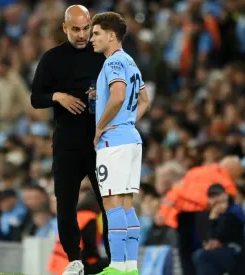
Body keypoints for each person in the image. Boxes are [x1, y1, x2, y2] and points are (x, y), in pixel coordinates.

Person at [30, 5, 110, 275]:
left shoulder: (103, 55)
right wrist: (57, 96)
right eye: (75, 29)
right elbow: (36, 97)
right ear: (65, 28)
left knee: (108, 203)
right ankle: (74, 260)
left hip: (99, 143)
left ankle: (113, 261)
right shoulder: (52, 59)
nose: (82, 34)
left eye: (86, 28)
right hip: (66, 143)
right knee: (65, 203)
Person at [89, 11, 150, 275]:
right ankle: (130, 266)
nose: (92, 39)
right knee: (126, 203)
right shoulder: (130, 62)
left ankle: (115, 266)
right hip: (131, 140)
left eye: (96, 33)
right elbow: (145, 100)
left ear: (111, 35)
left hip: (113, 142)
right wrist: (127, 121)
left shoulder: (113, 62)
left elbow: (117, 96)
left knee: (112, 202)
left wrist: (101, 127)